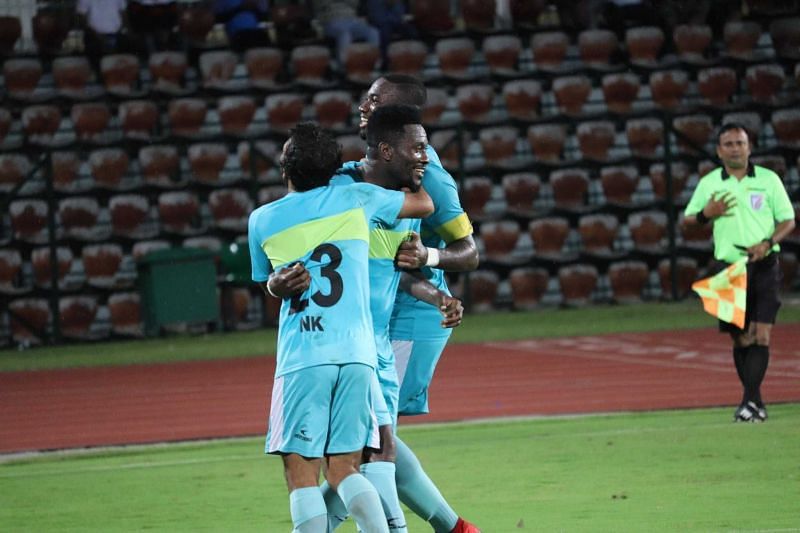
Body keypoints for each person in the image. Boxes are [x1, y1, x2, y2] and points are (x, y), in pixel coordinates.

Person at [248, 122, 433, 532]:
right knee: (345, 469)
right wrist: (419, 168)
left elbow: (268, 282)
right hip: (357, 355)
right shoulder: (358, 198)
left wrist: (278, 286)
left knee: (301, 475)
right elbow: (423, 205)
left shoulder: (262, 220)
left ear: (285, 169)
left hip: (304, 355)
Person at [359, 75, 481, 533]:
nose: (362, 106)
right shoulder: (366, 171)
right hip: (380, 313)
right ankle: (454, 529)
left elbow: (469, 252)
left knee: (370, 436)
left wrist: (429, 256)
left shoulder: (431, 178)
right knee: (370, 434)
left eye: (373, 100)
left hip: (413, 314)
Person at [683, 123, 795, 422]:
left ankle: (748, 403)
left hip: (765, 266)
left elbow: (788, 220)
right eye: (729, 144)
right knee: (740, 338)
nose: (735, 148)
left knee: (761, 334)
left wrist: (768, 242)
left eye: (740, 142)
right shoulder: (709, 184)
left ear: (749, 147)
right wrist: (708, 214)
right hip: (729, 268)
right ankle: (755, 403)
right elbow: (688, 220)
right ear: (720, 151)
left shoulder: (769, 180)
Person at [312, 0, 380, 65]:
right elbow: (318, 5)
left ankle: (371, 64)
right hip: (332, 21)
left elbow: (355, 4)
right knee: (345, 35)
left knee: (373, 32)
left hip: (352, 20)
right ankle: (344, 67)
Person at [76, 0, 128, 69]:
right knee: (97, 67)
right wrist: (95, 34)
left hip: (116, 35)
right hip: (94, 37)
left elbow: (123, 12)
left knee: (117, 67)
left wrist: (122, 30)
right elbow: (81, 17)